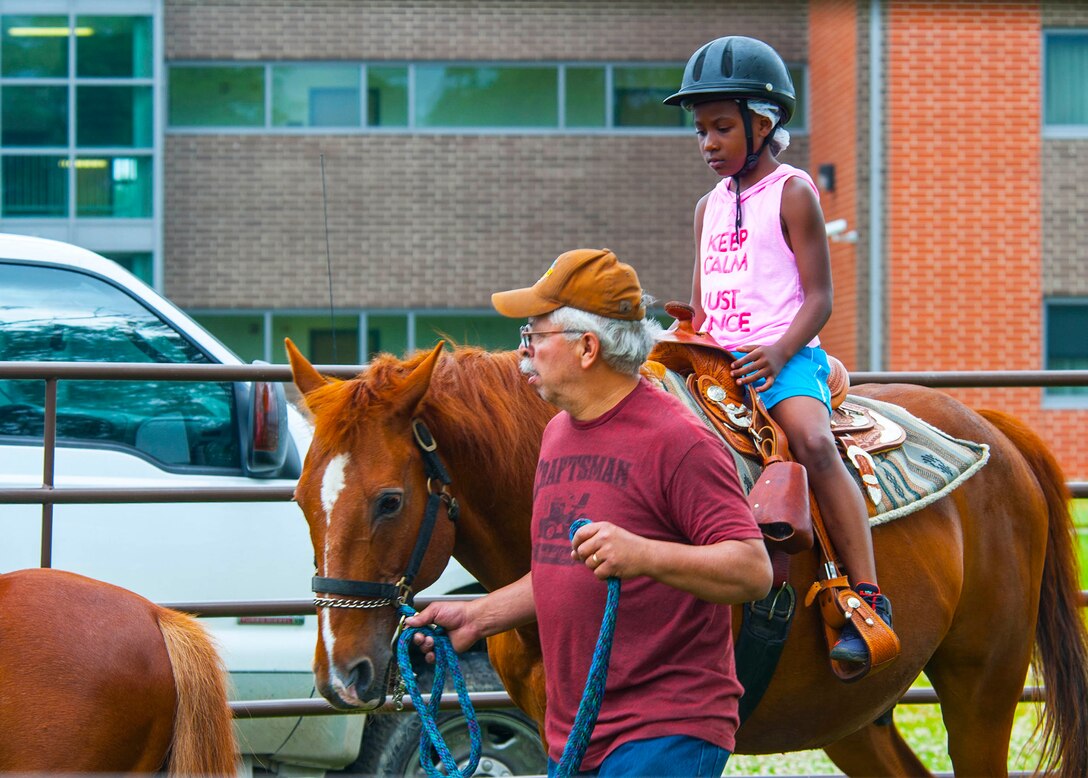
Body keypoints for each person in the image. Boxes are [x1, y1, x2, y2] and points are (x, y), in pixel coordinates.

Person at [406, 248, 772, 777]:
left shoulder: (678, 440)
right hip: (576, 731)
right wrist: (479, 615)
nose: (523, 353)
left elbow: (752, 569)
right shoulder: (556, 433)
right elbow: (565, 567)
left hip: (665, 729)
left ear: (586, 347)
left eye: (534, 335)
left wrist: (642, 553)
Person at [663, 35, 895, 665]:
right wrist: (683, 331)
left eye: (720, 127)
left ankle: (869, 593)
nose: (707, 142)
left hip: (786, 357)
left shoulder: (793, 192)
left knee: (815, 443)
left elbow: (819, 298)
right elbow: (703, 302)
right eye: (700, 130)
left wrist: (775, 351)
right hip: (716, 361)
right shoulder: (706, 208)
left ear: (762, 124)